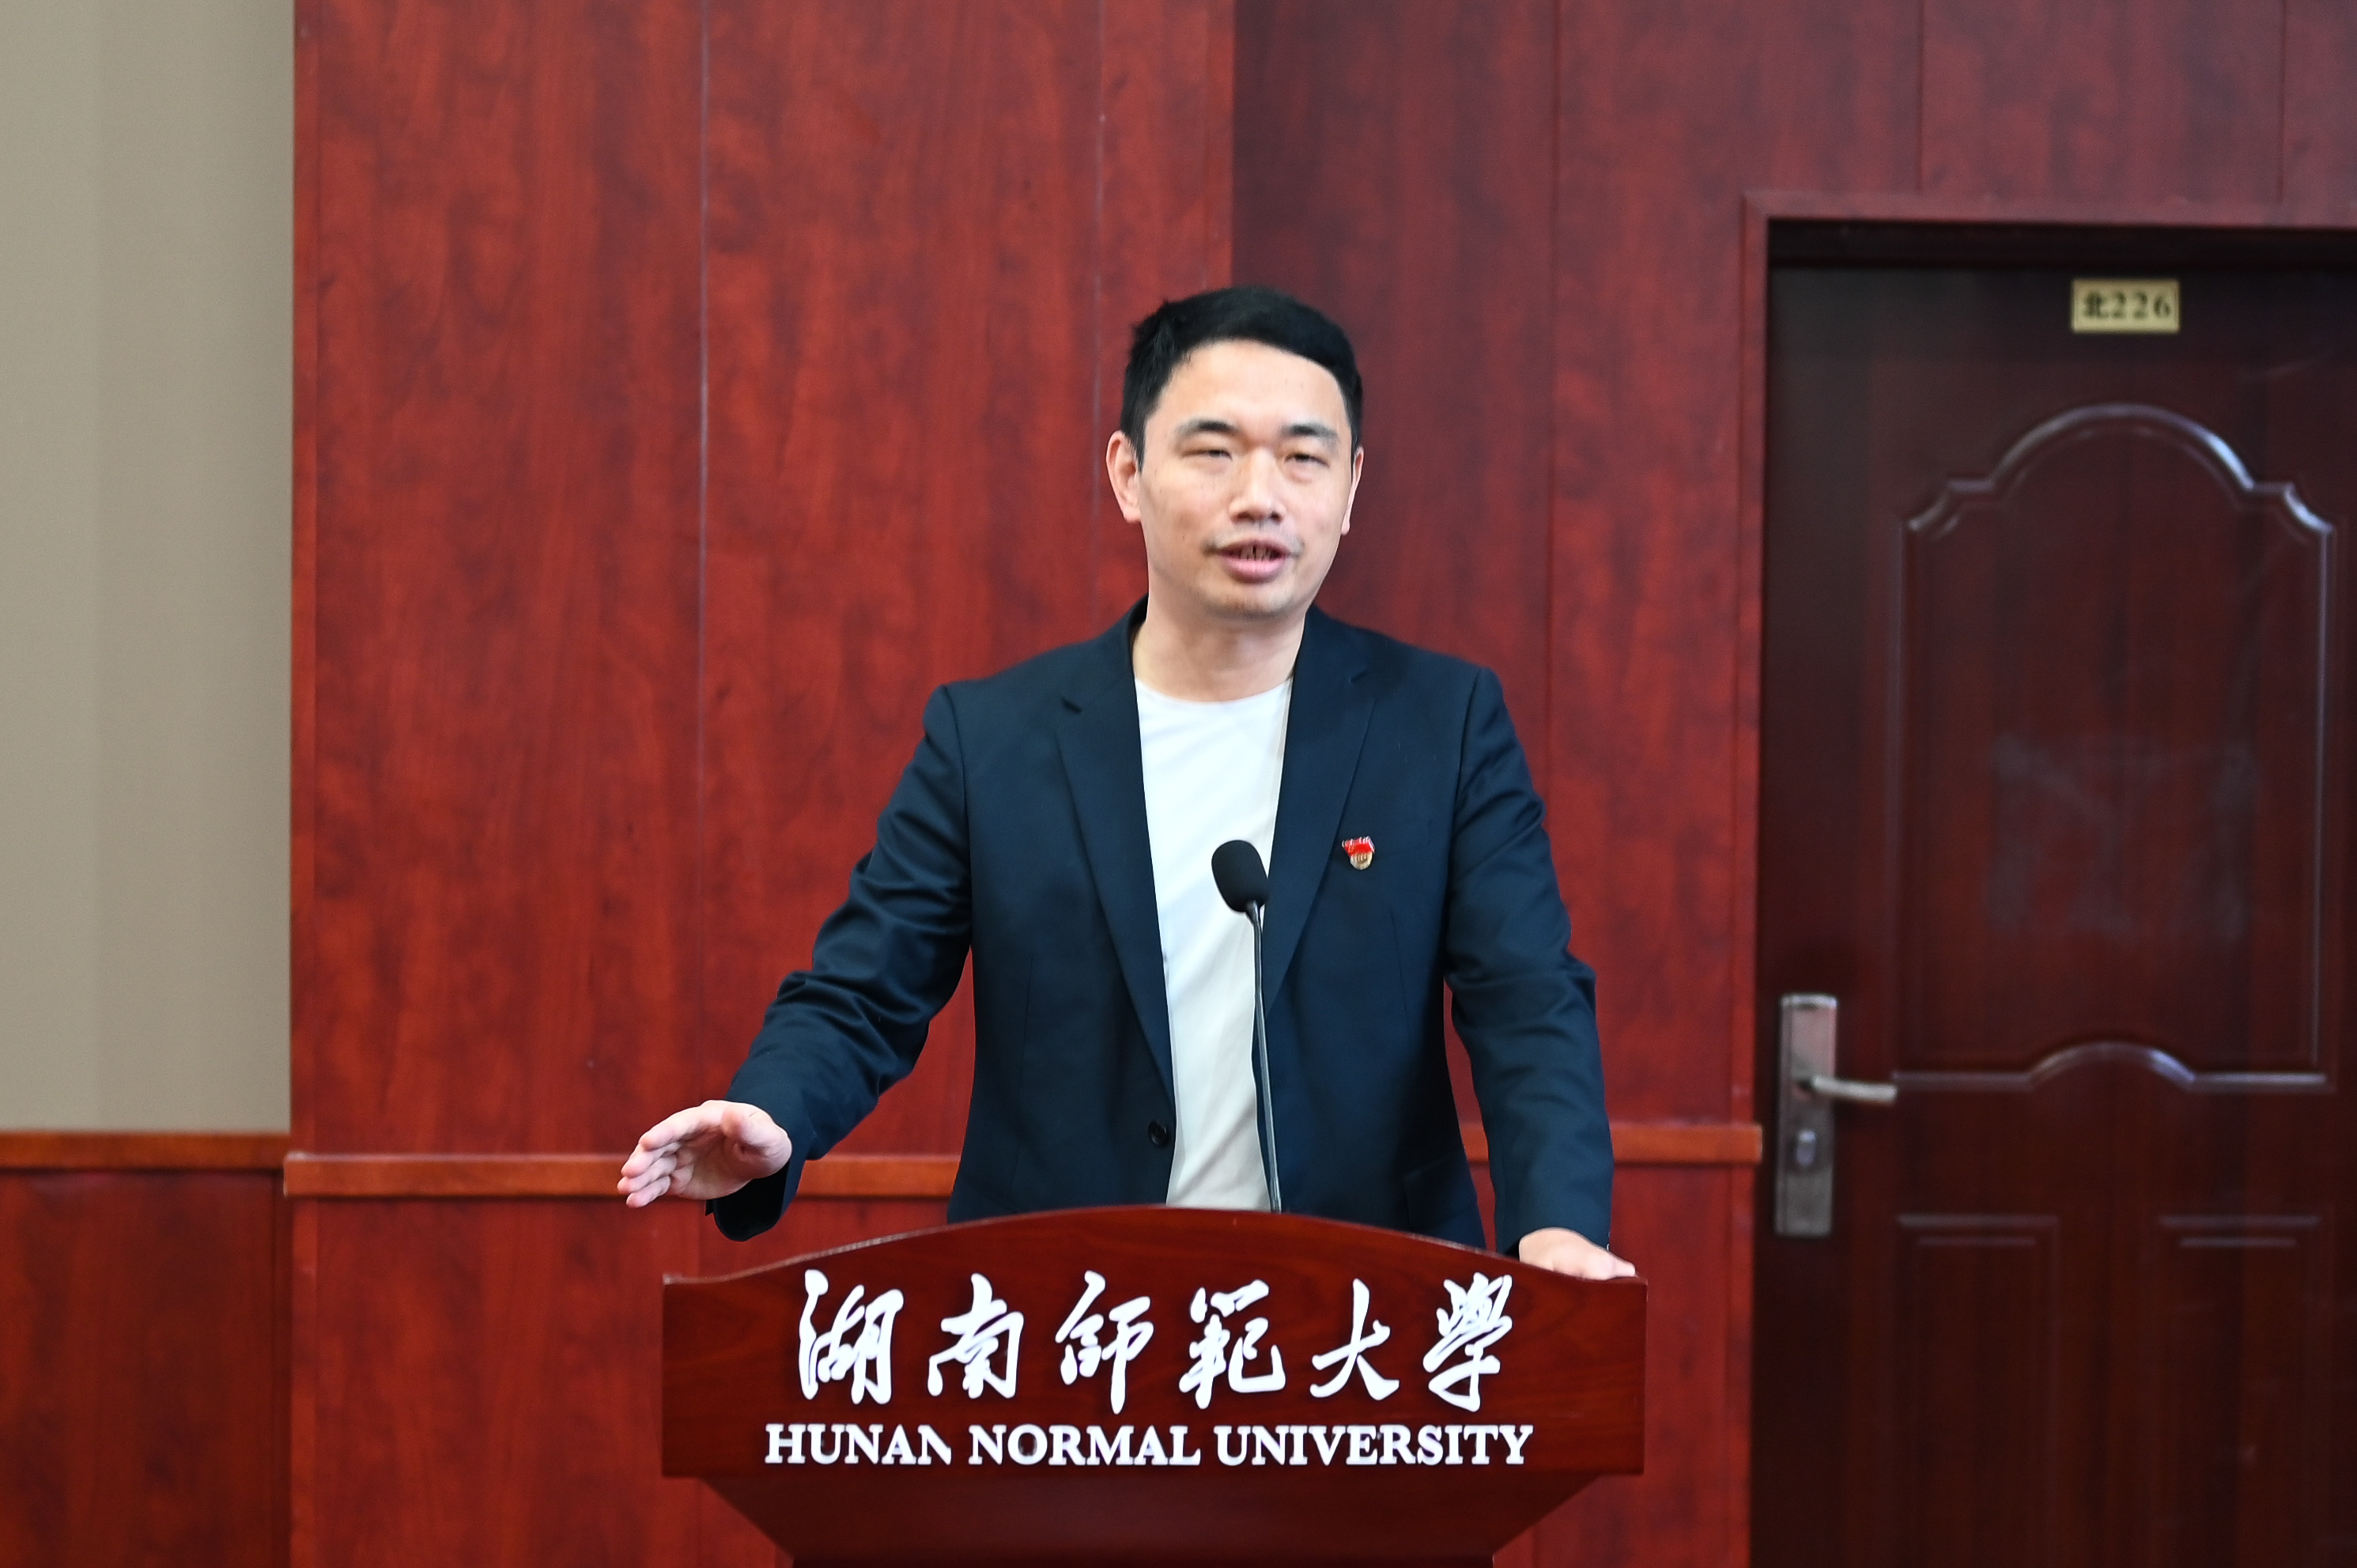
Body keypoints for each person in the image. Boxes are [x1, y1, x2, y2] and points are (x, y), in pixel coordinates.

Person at [618, 286, 1630, 1279]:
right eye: (1213, 451)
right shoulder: (992, 739)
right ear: (1127, 473)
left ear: (1351, 486)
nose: (1260, 496)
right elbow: (863, 992)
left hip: (1358, 1314)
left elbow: (1525, 998)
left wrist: (1555, 1226)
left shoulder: (1441, 725)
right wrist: (773, 1113)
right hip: (1069, 1309)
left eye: (1302, 456)